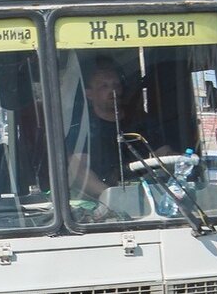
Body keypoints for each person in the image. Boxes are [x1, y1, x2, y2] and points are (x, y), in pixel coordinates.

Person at [65, 58, 162, 199]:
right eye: (104, 86)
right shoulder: (81, 129)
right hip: (102, 202)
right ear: (89, 94)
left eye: (116, 85)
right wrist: (115, 198)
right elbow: (80, 172)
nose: (113, 90)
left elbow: (164, 154)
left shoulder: (140, 121)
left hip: (147, 196)